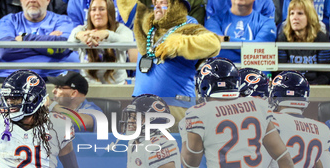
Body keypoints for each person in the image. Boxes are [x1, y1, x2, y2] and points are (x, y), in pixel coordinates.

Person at [123, 0, 220, 128]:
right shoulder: (149, 25)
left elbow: (213, 43)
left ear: (177, 6)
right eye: (155, 2)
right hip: (140, 106)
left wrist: (180, 43)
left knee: (173, 147)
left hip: (174, 106)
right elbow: (126, 5)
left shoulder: (187, 25)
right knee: (137, 147)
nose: (157, 5)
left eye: (163, 2)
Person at [0, 0, 79, 83]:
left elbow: (62, 48)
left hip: (54, 77)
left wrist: (25, 38)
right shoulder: (8, 21)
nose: (32, 0)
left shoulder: (63, 21)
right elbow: (4, 50)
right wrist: (48, 42)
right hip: (10, 77)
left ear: (48, 0)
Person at [68, 0, 135, 85]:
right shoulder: (81, 29)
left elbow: (128, 44)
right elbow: (70, 45)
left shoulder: (120, 29)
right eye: (93, 9)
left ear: (109, 12)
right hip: (88, 87)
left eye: (102, 9)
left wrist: (107, 34)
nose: (97, 13)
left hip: (116, 86)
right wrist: (79, 35)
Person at [276, 0, 330, 86]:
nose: (295, 17)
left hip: (315, 88)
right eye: (292, 13)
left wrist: (308, 87)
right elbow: (280, 73)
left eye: (300, 13)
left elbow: (325, 75)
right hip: (290, 88)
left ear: (309, 17)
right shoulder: (283, 38)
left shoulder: (321, 38)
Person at [205, 0, 276, 64]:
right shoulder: (213, 21)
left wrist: (226, 40)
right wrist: (249, 52)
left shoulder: (267, 23)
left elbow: (262, 52)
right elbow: (216, 52)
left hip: (256, 75)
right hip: (222, 73)